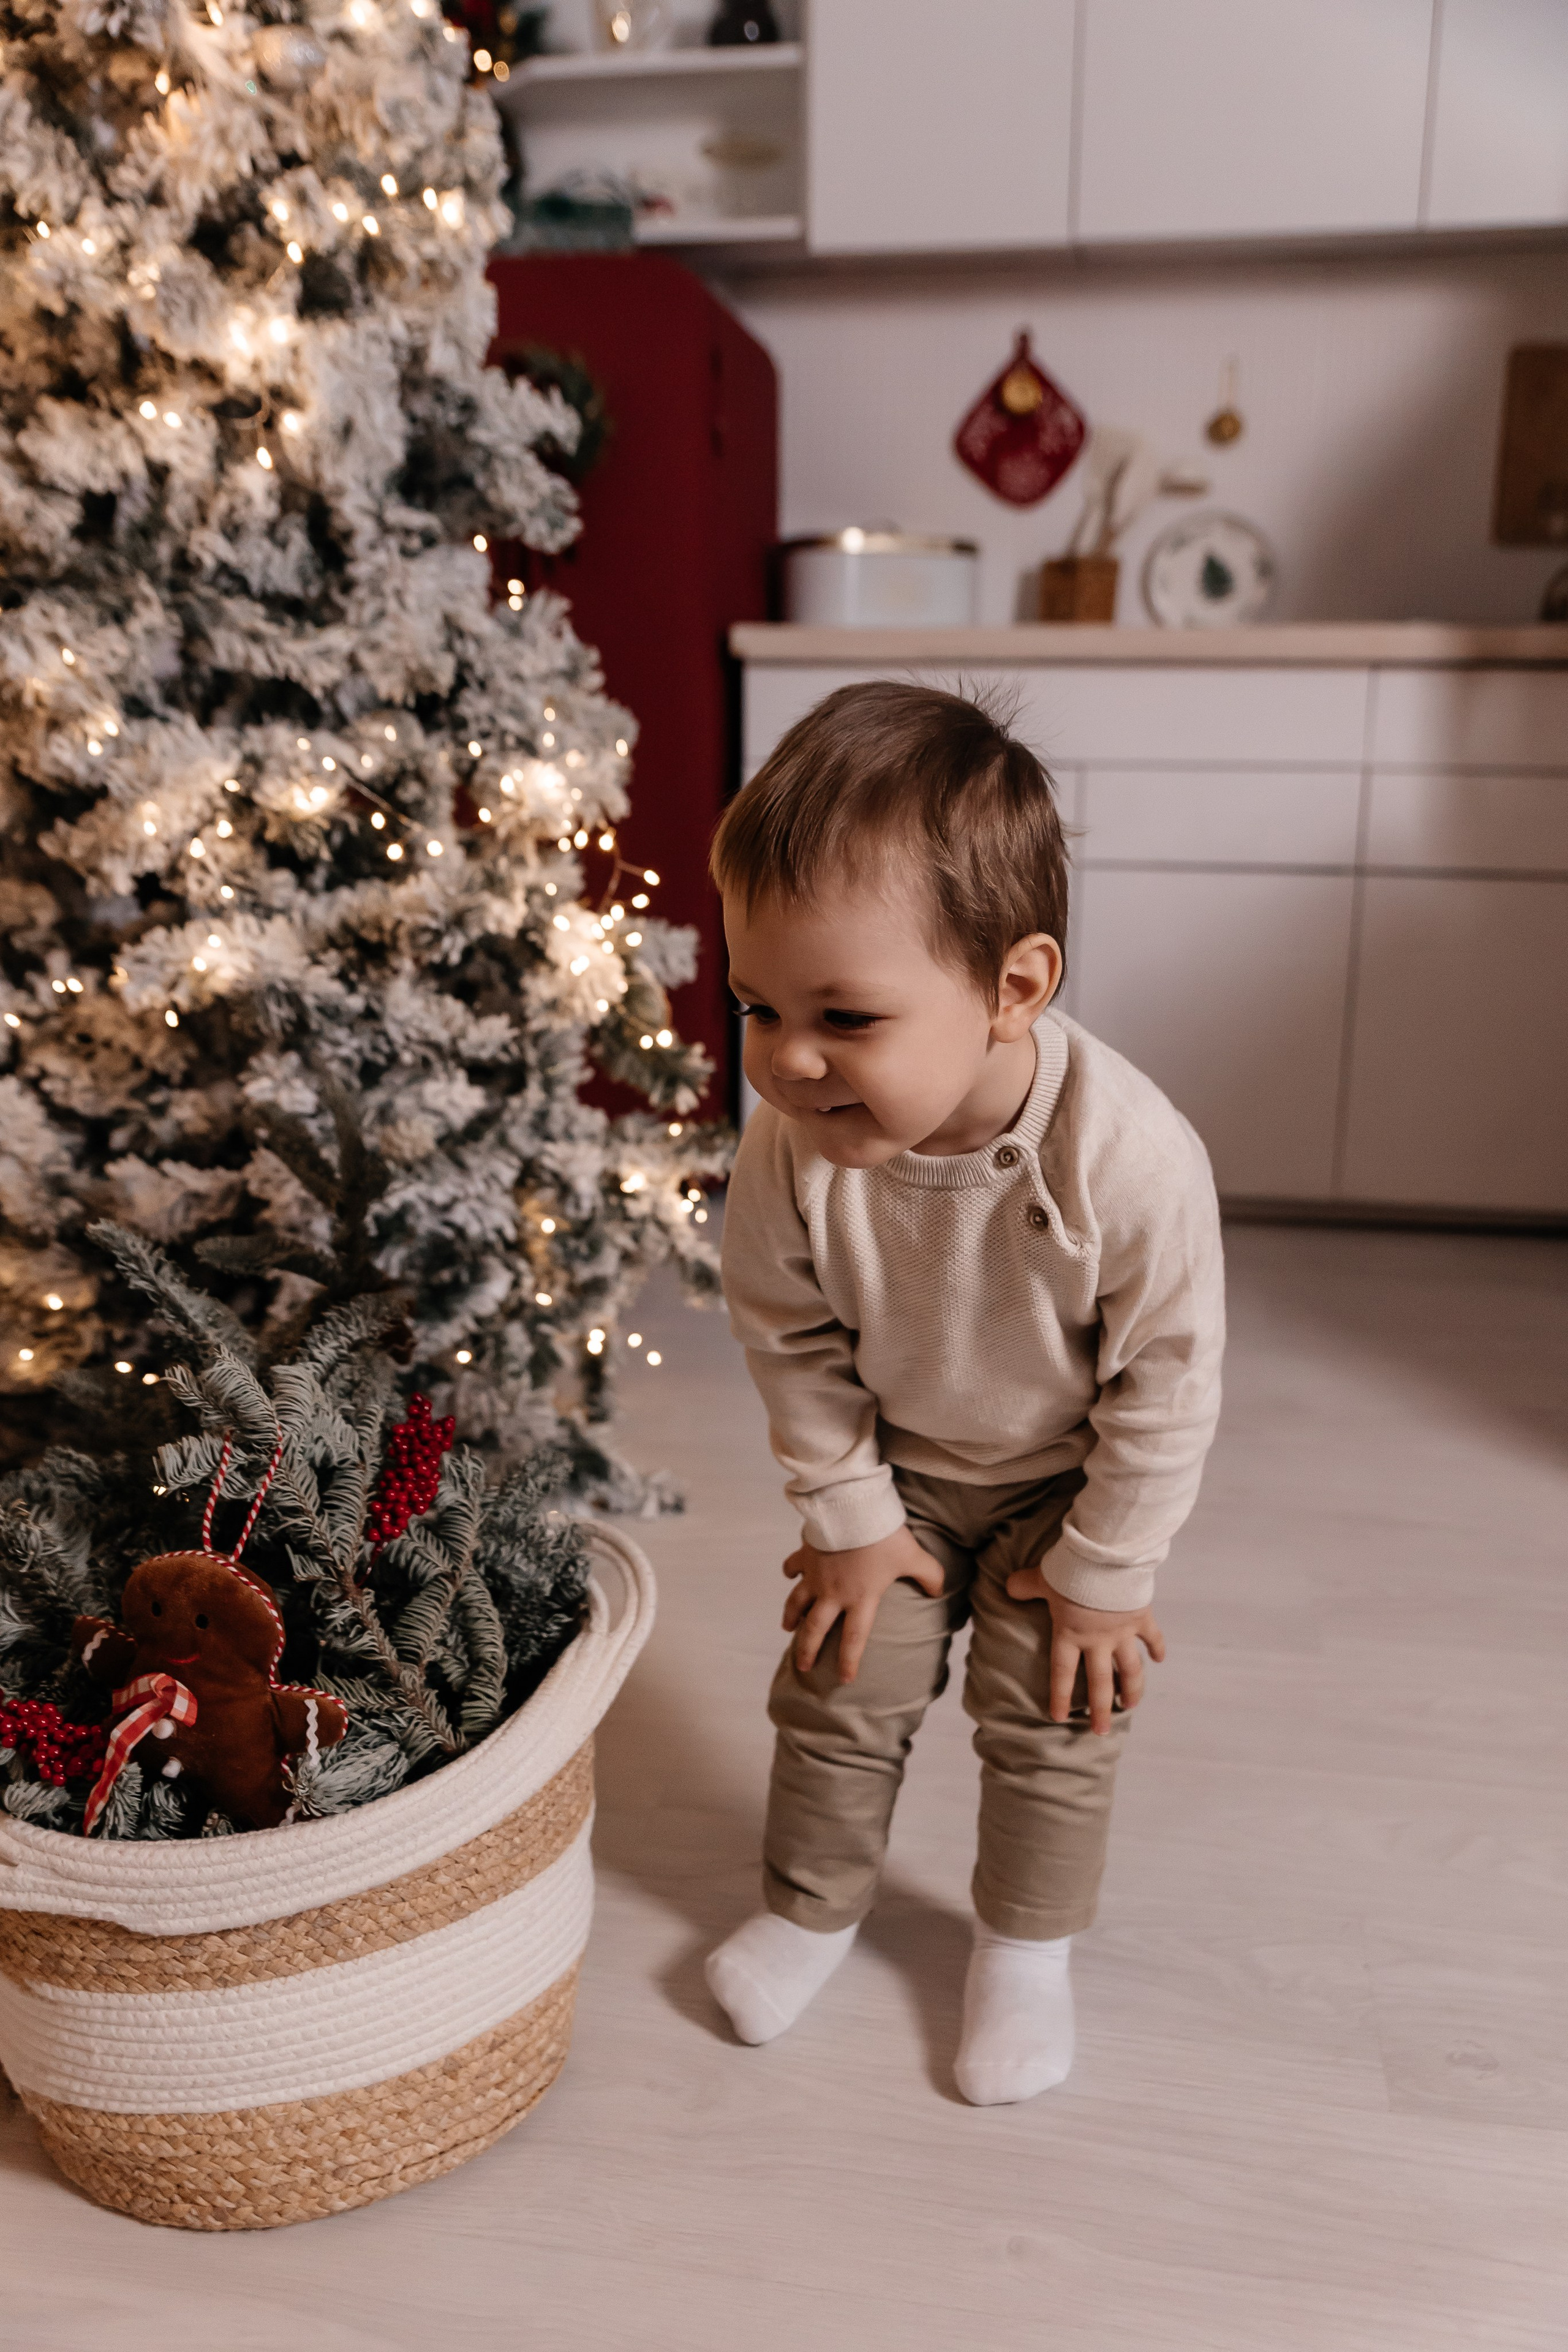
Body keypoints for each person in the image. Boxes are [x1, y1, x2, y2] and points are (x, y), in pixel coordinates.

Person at [704, 679, 1226, 2106]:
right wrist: (848, 1511)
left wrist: (1107, 1571)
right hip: (899, 1472)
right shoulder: (793, 1145)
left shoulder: (1127, 1156)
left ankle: (1022, 1950)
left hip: (1067, 1479)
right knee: (833, 1679)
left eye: (843, 1015)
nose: (788, 1059)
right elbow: (787, 1334)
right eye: (756, 1005)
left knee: (1057, 1711)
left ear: (1013, 988)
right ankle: (810, 1909)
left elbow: (1167, 1382)